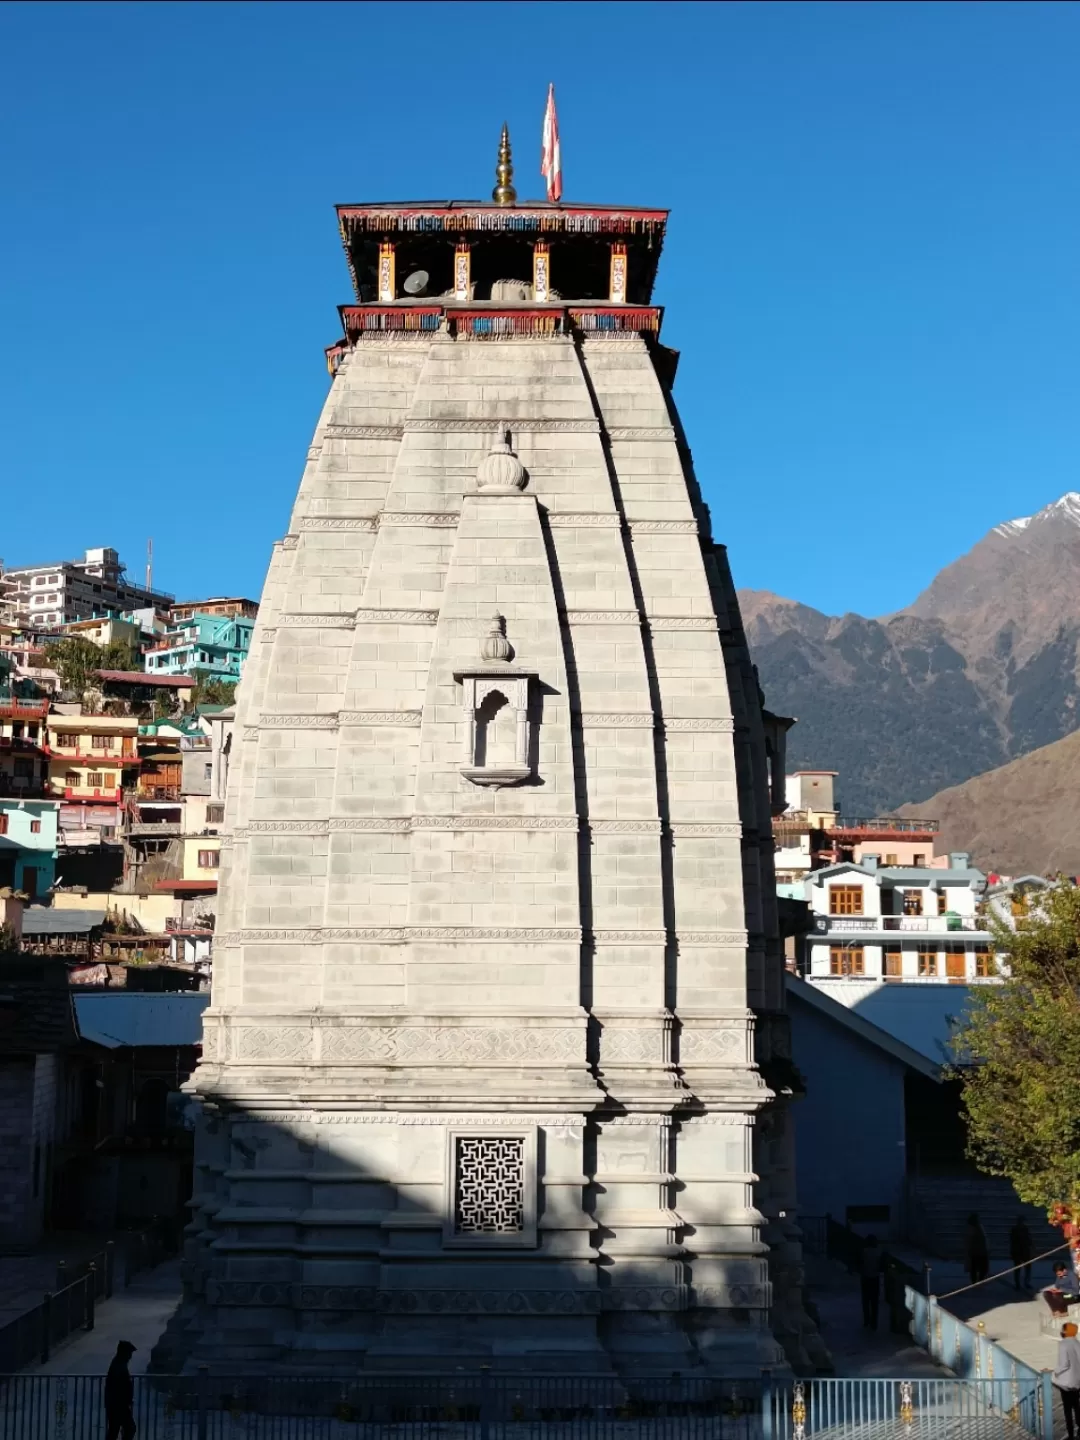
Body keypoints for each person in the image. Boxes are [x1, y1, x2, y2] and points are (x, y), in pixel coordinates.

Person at [104, 1340, 137, 1440]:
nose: (130, 1356)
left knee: (115, 1430)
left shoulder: (119, 1363)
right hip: (118, 1405)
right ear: (124, 1353)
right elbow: (120, 1386)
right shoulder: (119, 1365)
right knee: (129, 1428)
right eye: (129, 1353)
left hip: (116, 1404)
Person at [1055, 1322, 1080, 1440]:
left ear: (1066, 1331)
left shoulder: (1063, 1344)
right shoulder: (1077, 1343)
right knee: (1077, 1406)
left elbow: (1064, 1363)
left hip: (1066, 1382)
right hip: (1077, 1381)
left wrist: (1056, 1371)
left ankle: (1070, 1434)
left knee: (1067, 1409)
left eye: (1062, 1329)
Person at [859, 1234, 883, 1330]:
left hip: (865, 1278)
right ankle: (874, 1322)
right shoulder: (878, 1252)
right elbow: (880, 1265)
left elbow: (860, 1264)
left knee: (865, 1300)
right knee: (874, 1302)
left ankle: (866, 1320)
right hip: (875, 1278)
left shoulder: (864, 1252)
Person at [965, 1213, 990, 1287]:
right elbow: (970, 1240)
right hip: (976, 1251)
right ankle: (976, 1282)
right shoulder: (972, 1228)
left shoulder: (979, 1226)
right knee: (975, 1268)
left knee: (981, 1268)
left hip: (981, 1251)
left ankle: (978, 1281)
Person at [1009, 1216, 1033, 1290]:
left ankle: (1025, 1283)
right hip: (1018, 1251)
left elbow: (1028, 1239)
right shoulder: (1015, 1229)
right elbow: (1013, 1241)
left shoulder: (1025, 1229)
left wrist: (1031, 1246)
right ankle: (1018, 1284)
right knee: (1018, 1268)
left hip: (1024, 1250)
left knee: (1027, 1268)